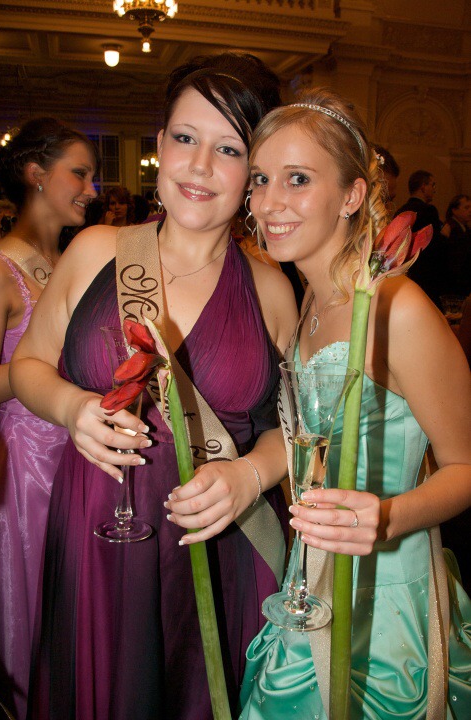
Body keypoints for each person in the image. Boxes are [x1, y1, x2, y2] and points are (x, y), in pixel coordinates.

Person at [10, 53, 297, 720]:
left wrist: (251, 474)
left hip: (223, 547)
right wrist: (72, 407)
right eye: (186, 138)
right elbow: (28, 366)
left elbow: (300, 430)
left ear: (254, 170)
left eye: (229, 149)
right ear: (161, 144)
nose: (199, 166)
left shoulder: (272, 289)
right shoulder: (97, 250)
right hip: (97, 538)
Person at [234, 91, 471, 718]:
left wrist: (385, 518)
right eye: (260, 179)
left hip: (384, 606)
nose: (269, 202)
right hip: (308, 581)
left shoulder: (398, 309)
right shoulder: (309, 300)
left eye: (298, 179)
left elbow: (467, 467)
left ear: (352, 196)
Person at [0, 117, 98, 720]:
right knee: (32, 605)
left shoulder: (77, 260)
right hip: (28, 467)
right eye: (79, 173)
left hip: (83, 449)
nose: (91, 189)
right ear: (36, 174)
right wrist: (45, 369)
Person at [394, 169, 445, 307]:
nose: (434, 189)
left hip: (405, 273)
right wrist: (444, 236)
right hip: (427, 274)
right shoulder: (429, 211)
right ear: (423, 187)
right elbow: (436, 247)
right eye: (432, 185)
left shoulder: (401, 211)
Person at [440, 194, 471, 298]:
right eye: (466, 207)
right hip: (456, 283)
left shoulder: (464, 228)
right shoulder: (451, 228)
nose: (470, 211)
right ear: (454, 210)